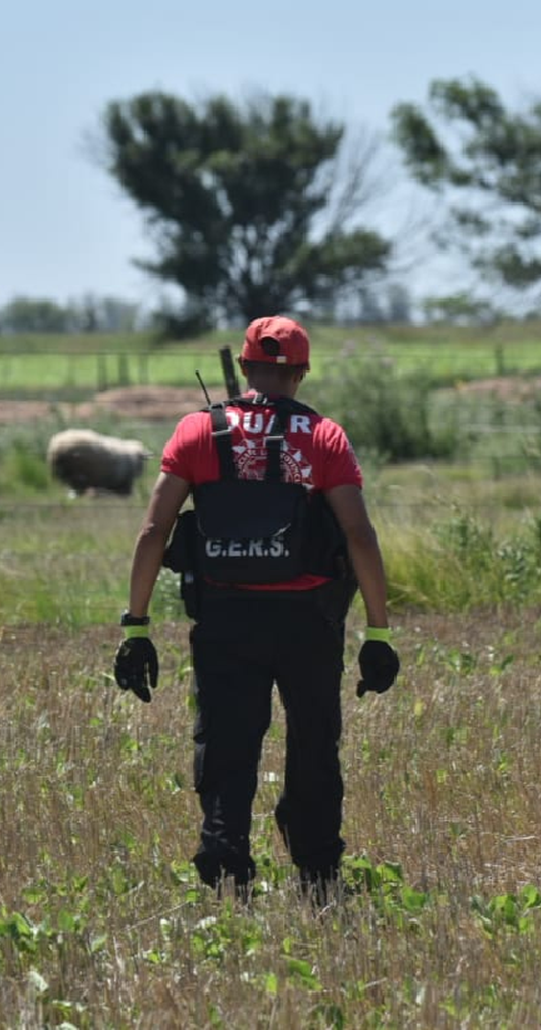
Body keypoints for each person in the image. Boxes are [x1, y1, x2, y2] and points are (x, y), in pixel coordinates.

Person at [112, 314, 398, 901]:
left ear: (244, 367)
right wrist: (378, 632)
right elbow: (360, 537)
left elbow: (152, 532)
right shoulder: (324, 438)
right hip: (309, 621)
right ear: (301, 372)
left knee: (226, 743)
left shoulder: (197, 433)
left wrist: (136, 626)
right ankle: (317, 867)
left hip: (224, 617)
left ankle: (225, 865)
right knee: (314, 741)